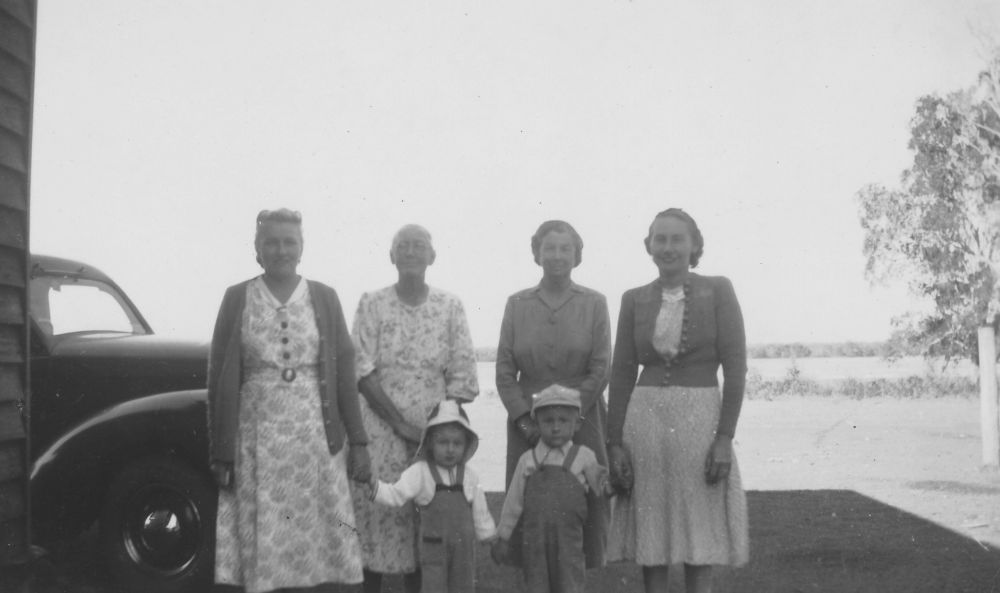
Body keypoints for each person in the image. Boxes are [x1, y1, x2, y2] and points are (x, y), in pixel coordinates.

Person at [208, 208, 371, 593]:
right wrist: (220, 450)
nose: (281, 250)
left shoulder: (324, 297)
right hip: (257, 439)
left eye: (289, 242)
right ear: (257, 248)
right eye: (271, 242)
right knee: (266, 533)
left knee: (320, 535)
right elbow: (219, 377)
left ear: (301, 248)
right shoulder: (237, 297)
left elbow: (344, 373)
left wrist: (359, 441)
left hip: (315, 440)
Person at [606, 208, 749, 593]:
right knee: (651, 531)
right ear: (649, 245)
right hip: (646, 423)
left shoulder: (718, 290)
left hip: (700, 421)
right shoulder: (633, 299)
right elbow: (621, 372)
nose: (668, 247)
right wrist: (614, 443)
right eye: (660, 239)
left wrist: (724, 437)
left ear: (694, 245)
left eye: (677, 239)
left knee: (698, 529)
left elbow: (735, 369)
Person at [350, 224, 479, 593]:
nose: (410, 251)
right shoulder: (371, 302)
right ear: (391, 255)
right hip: (379, 428)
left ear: (431, 256)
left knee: (427, 519)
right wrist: (399, 424)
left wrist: (441, 429)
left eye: (418, 245)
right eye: (402, 246)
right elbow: (360, 368)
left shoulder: (450, 306)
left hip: (433, 433)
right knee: (375, 513)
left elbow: (463, 373)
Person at [495, 219, 612, 569]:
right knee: (527, 498)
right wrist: (524, 421)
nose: (557, 255)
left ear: (577, 254)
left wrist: (571, 417)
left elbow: (601, 366)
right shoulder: (517, 303)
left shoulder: (594, 302)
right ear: (537, 253)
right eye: (550, 248)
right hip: (528, 422)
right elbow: (504, 371)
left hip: (583, 418)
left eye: (565, 248)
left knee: (586, 501)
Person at [492, 384, 613, 593]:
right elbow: (513, 503)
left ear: (577, 424)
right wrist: (503, 537)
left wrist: (613, 484)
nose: (556, 427)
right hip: (535, 542)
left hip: (569, 541)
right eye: (548, 421)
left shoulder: (583, 457)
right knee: (536, 583)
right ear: (537, 424)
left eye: (563, 421)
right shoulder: (528, 460)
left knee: (569, 582)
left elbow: (603, 487)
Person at [368, 400, 496, 593]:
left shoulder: (470, 475)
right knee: (433, 586)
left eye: (457, 443)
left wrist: (488, 535)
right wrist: (374, 486)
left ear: (466, 445)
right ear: (430, 443)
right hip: (433, 546)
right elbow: (396, 494)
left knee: (463, 585)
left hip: (463, 548)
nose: (450, 449)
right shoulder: (421, 472)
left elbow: (480, 511)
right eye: (443, 442)